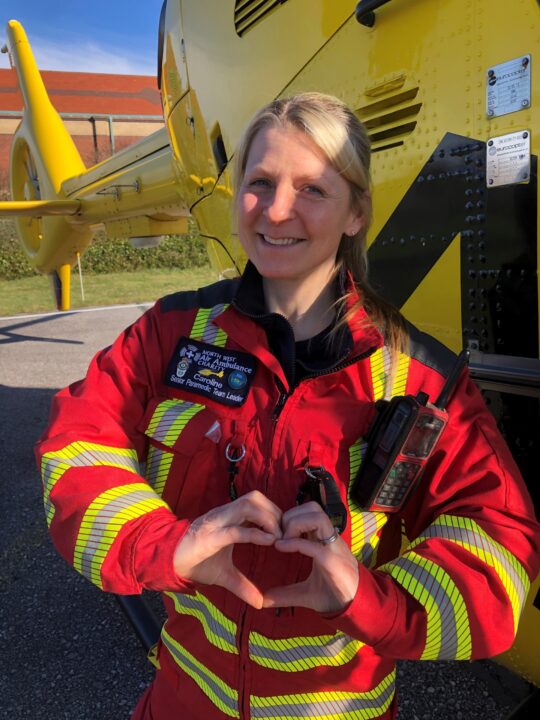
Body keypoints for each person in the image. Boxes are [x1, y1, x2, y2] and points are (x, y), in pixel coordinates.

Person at [36, 92, 539, 720]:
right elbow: (75, 448)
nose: (277, 210)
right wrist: (166, 541)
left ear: (356, 212)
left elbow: (500, 548)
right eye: (261, 182)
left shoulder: (420, 379)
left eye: (312, 190)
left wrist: (369, 596)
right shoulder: (172, 334)